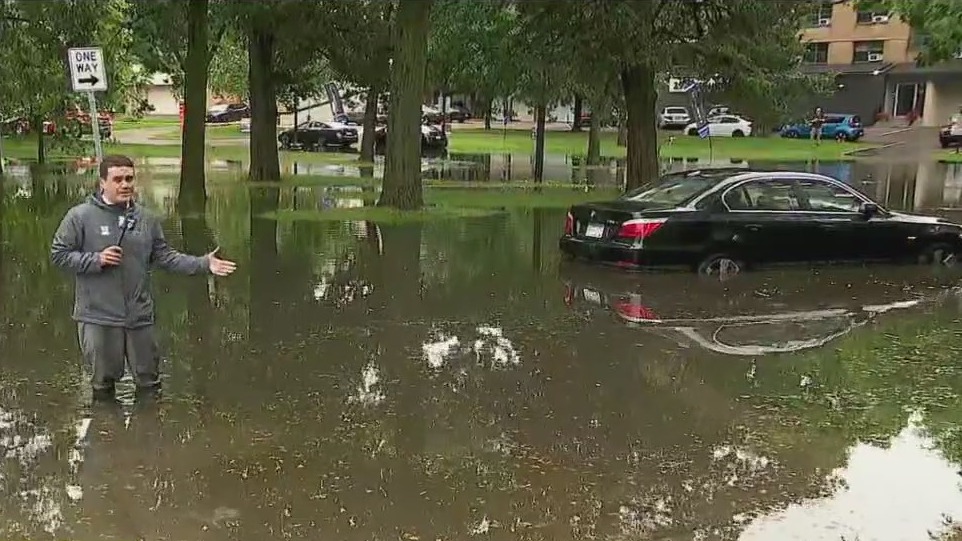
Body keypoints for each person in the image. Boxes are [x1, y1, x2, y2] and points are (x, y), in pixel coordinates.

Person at [50, 154, 237, 400]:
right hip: (98, 317)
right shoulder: (80, 217)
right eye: (118, 179)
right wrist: (96, 260)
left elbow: (165, 257)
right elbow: (59, 255)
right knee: (103, 387)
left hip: (138, 316)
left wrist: (204, 264)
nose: (125, 184)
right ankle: (108, 434)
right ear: (102, 183)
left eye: (129, 179)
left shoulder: (146, 219)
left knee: (149, 384)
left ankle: (147, 433)